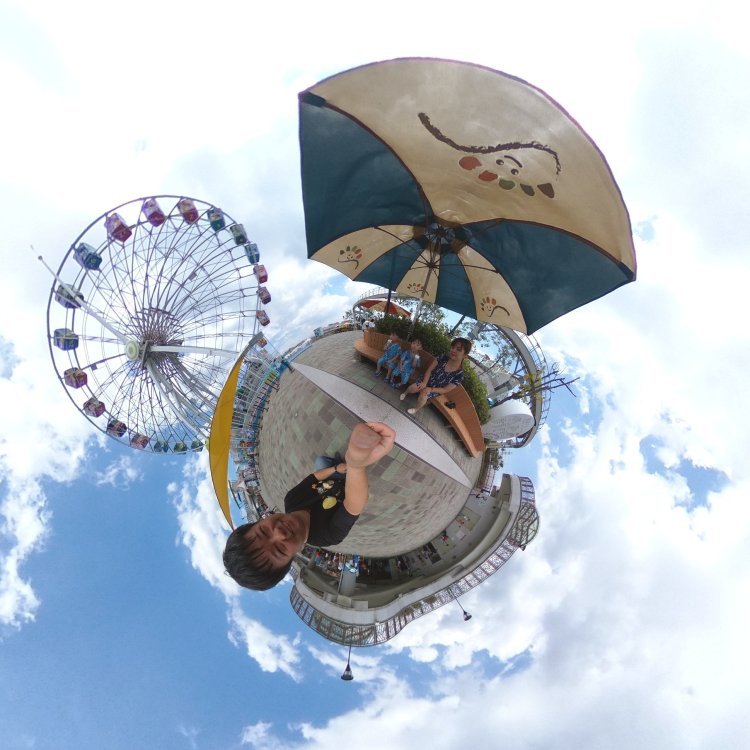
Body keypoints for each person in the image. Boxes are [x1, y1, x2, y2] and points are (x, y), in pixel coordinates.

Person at [223, 422, 396, 591]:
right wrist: (356, 465)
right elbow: (354, 505)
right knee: (360, 489)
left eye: (264, 531)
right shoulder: (327, 536)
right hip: (350, 489)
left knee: (321, 462)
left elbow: (314, 478)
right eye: (280, 550)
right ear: (293, 556)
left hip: (335, 476)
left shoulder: (291, 499)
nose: (279, 533)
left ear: (259, 521)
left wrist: (337, 468)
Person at [399, 337, 472, 415]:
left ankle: (416, 409)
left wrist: (430, 389)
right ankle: (405, 393)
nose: (453, 350)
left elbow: (445, 390)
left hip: (437, 389)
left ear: (465, 355)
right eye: (453, 347)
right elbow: (429, 370)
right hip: (427, 379)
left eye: (458, 349)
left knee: (424, 394)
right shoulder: (443, 358)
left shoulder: (459, 375)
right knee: (414, 387)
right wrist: (424, 383)